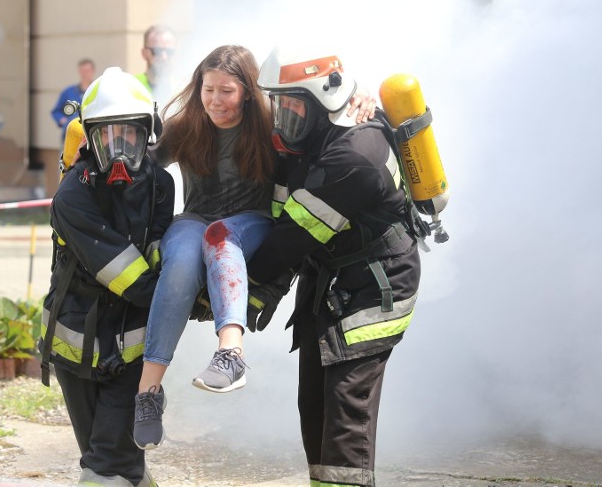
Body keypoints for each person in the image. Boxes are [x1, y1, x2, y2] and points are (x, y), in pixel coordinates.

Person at [245, 47, 423, 487]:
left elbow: (291, 239)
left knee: (346, 410)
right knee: (315, 407)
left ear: (322, 101)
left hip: (374, 288)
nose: (281, 118)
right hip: (331, 283)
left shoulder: (354, 156)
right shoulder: (316, 136)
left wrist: (226, 290)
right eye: (277, 105)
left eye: (291, 107)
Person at [131, 44, 276, 450]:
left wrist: (361, 100)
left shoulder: (270, 125)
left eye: (226, 91)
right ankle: (148, 395)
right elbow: (139, 163)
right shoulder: (185, 125)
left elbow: (324, 125)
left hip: (251, 222)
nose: (214, 100)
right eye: (207, 89)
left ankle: (231, 354)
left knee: (220, 237)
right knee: (176, 260)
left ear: (248, 91)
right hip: (196, 217)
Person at [39, 66, 175, 487]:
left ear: (147, 133)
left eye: (129, 135)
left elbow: (158, 256)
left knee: (108, 467)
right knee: (114, 464)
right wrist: (185, 298)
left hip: (130, 353)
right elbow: (134, 279)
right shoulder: (73, 196)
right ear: (89, 138)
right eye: (106, 137)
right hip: (75, 349)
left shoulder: (161, 186)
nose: (119, 150)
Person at [51, 58, 96, 140]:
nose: (85, 74)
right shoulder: (68, 92)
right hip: (70, 137)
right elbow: (56, 111)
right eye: (82, 71)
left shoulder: (98, 92)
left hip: (92, 136)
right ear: (79, 72)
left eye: (87, 71)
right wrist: (64, 121)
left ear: (93, 71)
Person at [134, 25, 177, 106]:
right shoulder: (131, 86)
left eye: (169, 52)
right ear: (144, 53)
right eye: (157, 51)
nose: (164, 57)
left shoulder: (182, 89)